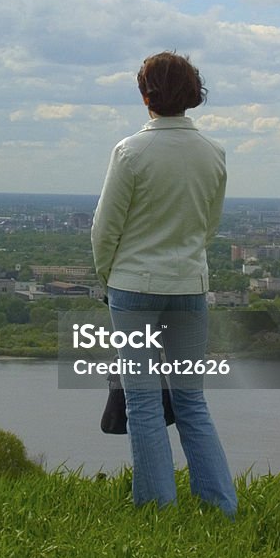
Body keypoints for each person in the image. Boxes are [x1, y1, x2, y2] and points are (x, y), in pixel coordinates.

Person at [91, 51, 236, 514]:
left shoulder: (130, 151)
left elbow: (104, 230)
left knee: (144, 401)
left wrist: (108, 277)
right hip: (190, 286)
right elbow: (208, 228)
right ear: (192, 94)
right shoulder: (213, 152)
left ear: (145, 95)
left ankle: (157, 510)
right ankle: (220, 507)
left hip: (134, 286)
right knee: (191, 400)